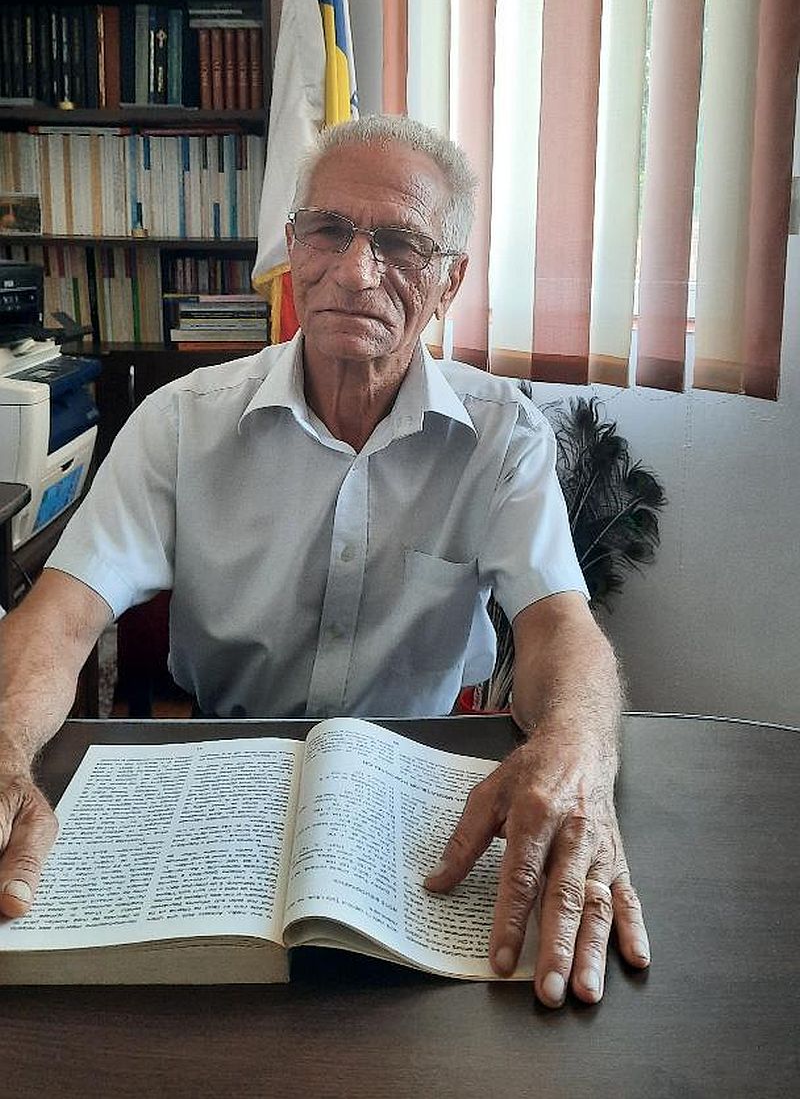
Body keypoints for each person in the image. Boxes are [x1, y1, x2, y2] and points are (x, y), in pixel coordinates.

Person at [0, 114, 649, 1006]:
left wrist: (576, 745)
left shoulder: (503, 437)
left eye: (399, 243)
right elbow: (59, 617)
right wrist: (4, 745)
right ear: (292, 245)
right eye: (329, 230)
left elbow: (558, 626)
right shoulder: (182, 423)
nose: (354, 270)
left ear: (451, 279)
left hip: (416, 782)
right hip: (220, 768)